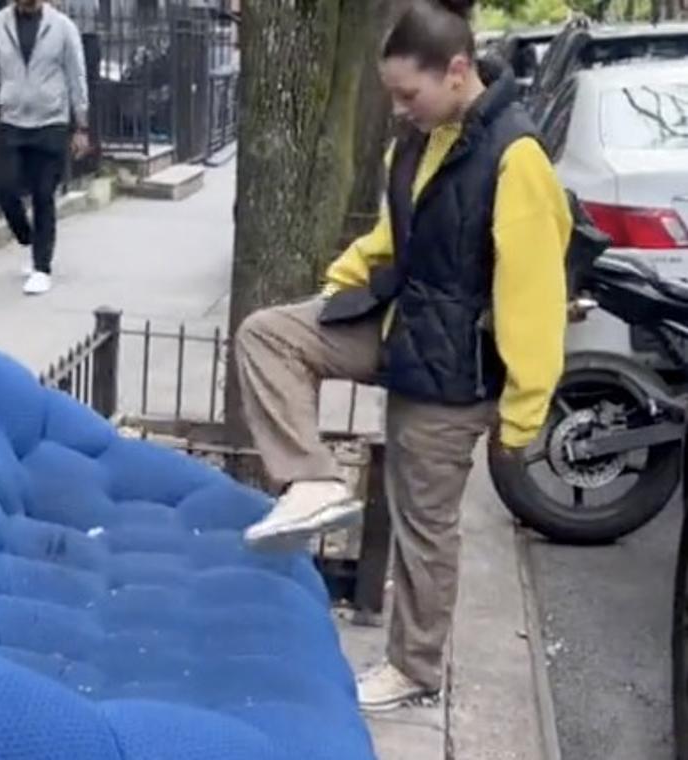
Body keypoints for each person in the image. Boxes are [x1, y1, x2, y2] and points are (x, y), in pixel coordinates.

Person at [234, 0, 572, 711]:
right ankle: (313, 482)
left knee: (424, 530)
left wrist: (520, 417)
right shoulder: (415, 142)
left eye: (405, 94)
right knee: (267, 333)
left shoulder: (516, 158)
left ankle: (414, 670)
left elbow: (533, 301)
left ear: (455, 72)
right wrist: (341, 280)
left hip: (456, 372)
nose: (397, 108)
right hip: (398, 322)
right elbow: (395, 236)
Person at [0, 0, 91, 296]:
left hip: (51, 123)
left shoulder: (63, 27)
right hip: (12, 121)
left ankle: (42, 268)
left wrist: (81, 127)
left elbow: (77, 76)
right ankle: (28, 238)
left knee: (43, 195)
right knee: (5, 188)